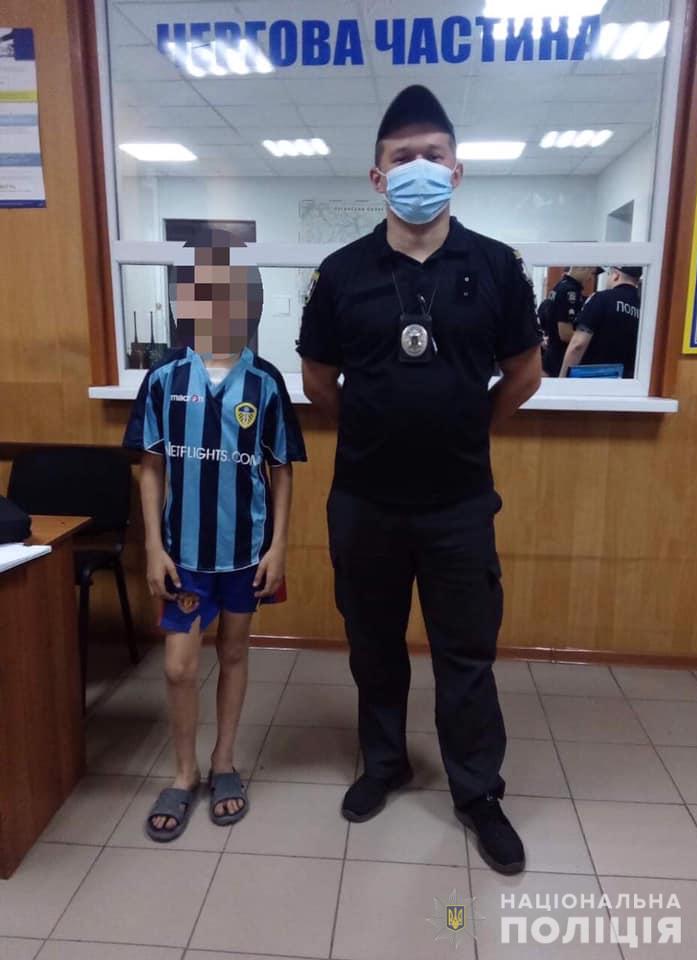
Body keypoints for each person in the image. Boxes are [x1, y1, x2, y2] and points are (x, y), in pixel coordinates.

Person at [297, 85, 542, 875]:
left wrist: (467, 427)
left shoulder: (497, 266)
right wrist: (377, 431)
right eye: (402, 157)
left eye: (433, 154)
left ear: (457, 170)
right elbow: (318, 380)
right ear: (377, 177)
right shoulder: (341, 273)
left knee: (466, 655)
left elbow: (525, 372)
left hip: (459, 506)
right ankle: (385, 763)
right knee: (374, 647)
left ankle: (477, 792)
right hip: (365, 502)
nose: (419, 168)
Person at [124, 232, 306, 842]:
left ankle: (224, 762)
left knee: (233, 652)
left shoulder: (266, 383)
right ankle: (184, 772)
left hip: (245, 554)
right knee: (179, 667)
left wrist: (279, 546)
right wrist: (153, 545)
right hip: (183, 556)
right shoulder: (163, 379)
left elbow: (282, 470)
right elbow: (150, 465)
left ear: (250, 304)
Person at [559, 266, 642, 378]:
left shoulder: (602, 299)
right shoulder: (643, 308)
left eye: (608, 275)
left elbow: (578, 344)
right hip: (628, 381)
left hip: (594, 377)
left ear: (616, 275)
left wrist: (563, 378)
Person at [539, 266, 602, 376]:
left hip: (552, 355)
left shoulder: (561, 286)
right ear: (582, 268)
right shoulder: (570, 291)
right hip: (560, 359)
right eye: (591, 273)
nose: (590, 278)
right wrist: (590, 340)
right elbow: (565, 333)